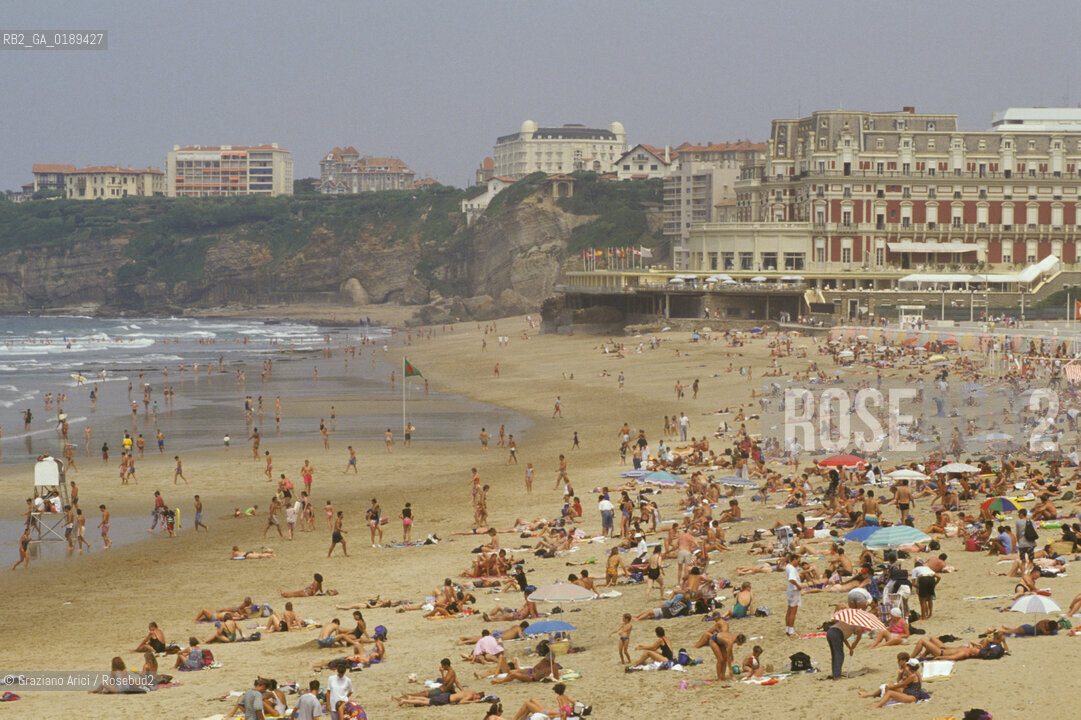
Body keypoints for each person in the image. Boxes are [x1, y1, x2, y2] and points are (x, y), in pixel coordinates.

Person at [783, 553, 802, 636]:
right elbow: (791, 579)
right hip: (794, 591)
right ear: (794, 559)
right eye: (798, 560)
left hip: (790, 590)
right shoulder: (792, 569)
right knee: (793, 611)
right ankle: (791, 631)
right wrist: (797, 585)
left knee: (789, 610)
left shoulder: (788, 567)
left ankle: (788, 628)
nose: (799, 562)